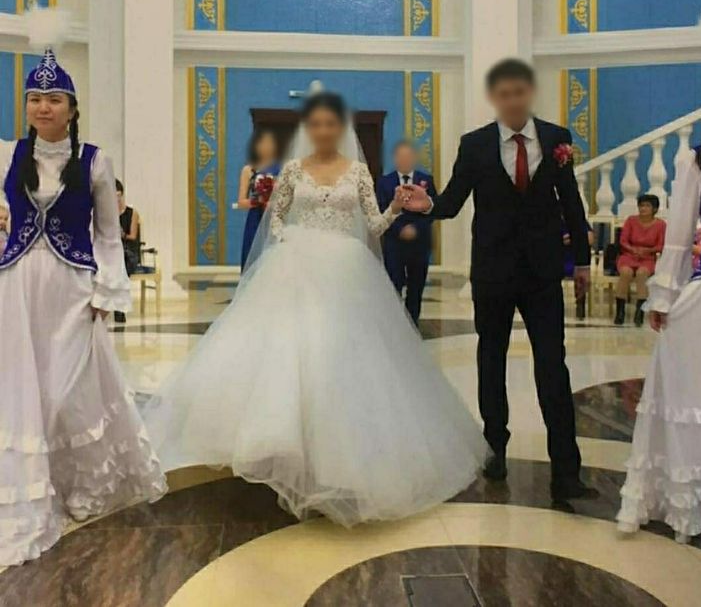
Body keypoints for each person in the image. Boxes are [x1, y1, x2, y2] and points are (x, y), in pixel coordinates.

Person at [145, 92, 485, 526]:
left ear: (342, 129)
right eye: (317, 124)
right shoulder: (292, 170)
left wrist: (396, 208)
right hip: (295, 265)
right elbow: (277, 215)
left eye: (331, 124)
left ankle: (336, 456)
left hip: (346, 269)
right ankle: (284, 447)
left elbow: (374, 225)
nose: (324, 131)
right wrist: (286, 238)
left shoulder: (358, 172)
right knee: (288, 355)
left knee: (340, 358)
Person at [402, 58, 597, 505]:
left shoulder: (557, 139)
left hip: (542, 272)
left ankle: (567, 472)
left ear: (529, 94)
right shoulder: (474, 145)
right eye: (504, 94)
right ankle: (495, 449)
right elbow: (453, 201)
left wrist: (582, 263)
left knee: (553, 365)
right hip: (492, 271)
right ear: (495, 99)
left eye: (519, 93)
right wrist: (426, 205)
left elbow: (571, 202)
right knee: (491, 360)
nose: (512, 101)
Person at [0, 48, 166, 566]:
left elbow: (109, 236)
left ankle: (83, 482)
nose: (42, 107)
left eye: (53, 99)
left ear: (72, 108)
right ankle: (37, 485)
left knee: (65, 390)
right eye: (34, 98)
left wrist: (106, 292)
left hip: (72, 288)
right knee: (24, 387)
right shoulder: (8, 154)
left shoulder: (94, 160)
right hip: (18, 285)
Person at [617, 74, 701, 543]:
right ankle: (693, 494)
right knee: (692, 387)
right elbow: (678, 234)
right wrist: (663, 296)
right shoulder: (698, 160)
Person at [377, 141, 436, 324]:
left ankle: (412, 324)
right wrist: (399, 229)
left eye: (408, 156)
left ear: (414, 158)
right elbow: (381, 209)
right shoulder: (384, 182)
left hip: (419, 243)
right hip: (395, 243)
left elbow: (433, 209)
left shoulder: (426, 180)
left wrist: (415, 228)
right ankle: (394, 323)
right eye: (401, 156)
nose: (405, 160)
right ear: (395, 159)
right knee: (394, 284)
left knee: (416, 286)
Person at [614, 194, 666, 326]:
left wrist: (647, 251)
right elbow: (623, 241)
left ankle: (640, 312)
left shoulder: (661, 225)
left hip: (648, 258)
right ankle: (620, 312)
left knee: (642, 274)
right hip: (628, 255)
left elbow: (661, 245)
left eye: (647, 206)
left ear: (654, 209)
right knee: (625, 273)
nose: (643, 208)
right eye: (641, 205)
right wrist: (633, 250)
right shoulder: (631, 220)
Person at [236, 129, 280, 270]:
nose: (266, 147)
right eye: (263, 143)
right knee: (253, 255)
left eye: (269, 143)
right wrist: (259, 201)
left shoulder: (282, 169)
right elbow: (241, 202)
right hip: (255, 218)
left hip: (275, 219)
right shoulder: (248, 170)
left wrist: (272, 203)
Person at [115, 179, 141, 323]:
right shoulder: (108, 213)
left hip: (128, 251)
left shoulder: (132, 213)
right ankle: (117, 306)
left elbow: (133, 236)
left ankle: (119, 308)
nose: (117, 200)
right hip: (114, 251)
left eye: (119, 196)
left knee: (121, 267)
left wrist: (122, 235)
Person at [563, 220, 594, 320]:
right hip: (559, 258)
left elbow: (590, 239)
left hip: (576, 259)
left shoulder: (581, 222)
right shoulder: (555, 221)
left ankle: (580, 304)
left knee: (580, 269)